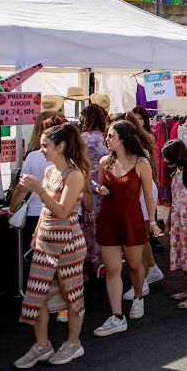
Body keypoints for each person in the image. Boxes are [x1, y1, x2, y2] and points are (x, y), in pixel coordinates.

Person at [14, 123, 93, 368]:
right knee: (36, 293)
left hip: (68, 243)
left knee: (71, 293)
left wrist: (38, 190)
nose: (42, 150)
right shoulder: (50, 171)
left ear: (61, 146)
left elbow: (61, 211)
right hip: (46, 241)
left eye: (45, 145)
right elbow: (46, 211)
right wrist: (36, 232)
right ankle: (42, 345)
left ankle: (73, 343)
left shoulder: (75, 174)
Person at [93, 121, 159, 336]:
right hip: (109, 219)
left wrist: (152, 222)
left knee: (134, 265)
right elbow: (101, 186)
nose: (107, 139)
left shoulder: (141, 162)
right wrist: (101, 190)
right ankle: (117, 316)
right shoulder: (104, 162)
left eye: (110, 135)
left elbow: (148, 194)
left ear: (122, 138)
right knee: (112, 269)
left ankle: (138, 297)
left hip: (132, 219)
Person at [9, 111, 67, 286]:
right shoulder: (73, 159)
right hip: (65, 216)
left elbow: (22, 189)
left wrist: (12, 210)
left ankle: (42, 294)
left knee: (40, 265)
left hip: (39, 213)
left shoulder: (34, 157)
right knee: (62, 266)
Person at [161, 139, 187, 309]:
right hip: (179, 223)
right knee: (184, 257)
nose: (164, 160)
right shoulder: (176, 174)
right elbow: (175, 202)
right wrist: (168, 224)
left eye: (167, 156)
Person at [79, 104, 109, 271]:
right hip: (103, 184)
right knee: (100, 224)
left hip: (85, 183)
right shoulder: (107, 138)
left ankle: (85, 265)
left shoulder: (82, 138)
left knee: (86, 224)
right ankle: (100, 262)